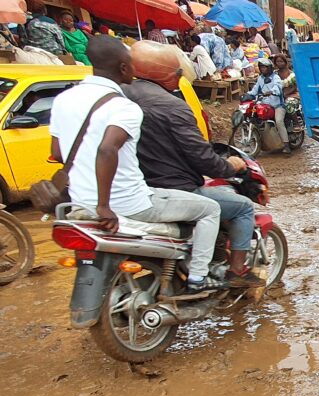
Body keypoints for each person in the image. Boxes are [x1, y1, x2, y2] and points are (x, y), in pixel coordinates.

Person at [50, 36, 225, 292]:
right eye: (131, 64)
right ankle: (199, 277)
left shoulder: (63, 99)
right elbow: (107, 149)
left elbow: (57, 152)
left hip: (79, 201)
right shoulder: (124, 107)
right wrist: (104, 206)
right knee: (210, 209)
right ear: (123, 67)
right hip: (128, 203)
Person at [125, 43, 264, 288]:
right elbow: (202, 157)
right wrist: (230, 166)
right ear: (170, 75)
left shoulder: (119, 98)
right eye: (178, 73)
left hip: (131, 189)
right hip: (171, 190)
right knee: (242, 207)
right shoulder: (172, 106)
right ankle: (235, 272)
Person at [246, 58, 291, 154]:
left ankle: (286, 145)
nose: (263, 69)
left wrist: (272, 91)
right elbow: (254, 90)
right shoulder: (260, 78)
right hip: (265, 104)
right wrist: (247, 95)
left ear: (269, 68)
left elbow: (278, 87)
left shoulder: (276, 77)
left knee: (279, 121)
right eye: (261, 67)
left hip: (277, 105)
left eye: (265, 67)